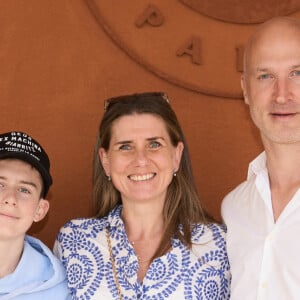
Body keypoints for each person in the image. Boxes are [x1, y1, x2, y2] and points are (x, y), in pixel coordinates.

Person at [54, 92, 231, 299]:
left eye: (154, 144)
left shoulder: (219, 245)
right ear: (106, 161)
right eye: (125, 147)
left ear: (176, 156)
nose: (141, 160)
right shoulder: (74, 240)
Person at [221, 16, 300, 299]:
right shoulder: (235, 208)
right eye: (265, 76)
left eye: (297, 73)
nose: (282, 95)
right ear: (245, 89)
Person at [0, 131, 71, 299]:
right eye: (0, 184)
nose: (10, 198)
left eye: (24, 189)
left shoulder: (60, 292)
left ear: (40, 210)